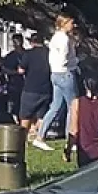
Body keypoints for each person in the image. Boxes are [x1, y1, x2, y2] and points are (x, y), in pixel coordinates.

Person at [36, 14, 78, 149]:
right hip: (65, 72)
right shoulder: (65, 39)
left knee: (55, 106)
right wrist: (76, 62)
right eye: (71, 23)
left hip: (55, 73)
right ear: (64, 24)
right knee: (73, 107)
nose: (73, 25)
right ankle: (70, 139)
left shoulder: (55, 37)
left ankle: (40, 136)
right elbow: (64, 58)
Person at [16, 31, 52, 147]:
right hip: (46, 88)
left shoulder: (28, 54)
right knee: (42, 115)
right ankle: (39, 136)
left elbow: (21, 70)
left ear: (32, 42)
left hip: (30, 88)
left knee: (25, 115)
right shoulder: (49, 53)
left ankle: (23, 139)